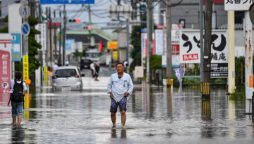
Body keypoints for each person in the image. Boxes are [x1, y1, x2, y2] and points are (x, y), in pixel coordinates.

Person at [107, 62, 134, 129]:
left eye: (120, 67)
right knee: (112, 113)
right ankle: (114, 125)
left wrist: (128, 92)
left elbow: (131, 86)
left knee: (123, 112)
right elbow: (109, 85)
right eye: (117, 67)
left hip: (123, 96)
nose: (118, 68)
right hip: (114, 96)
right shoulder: (113, 76)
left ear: (123, 68)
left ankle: (123, 126)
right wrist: (110, 92)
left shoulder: (127, 76)